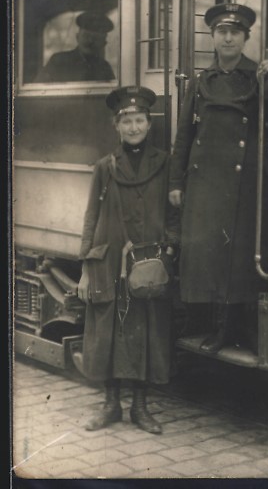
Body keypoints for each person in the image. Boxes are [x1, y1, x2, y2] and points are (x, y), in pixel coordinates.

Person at [169, 3, 268, 355]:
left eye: (235, 32)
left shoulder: (258, 77)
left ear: (245, 39)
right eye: (221, 32)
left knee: (237, 254)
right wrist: (176, 181)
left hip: (241, 182)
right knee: (205, 253)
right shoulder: (202, 82)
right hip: (204, 182)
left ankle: (231, 328)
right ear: (213, 38)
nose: (228, 38)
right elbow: (184, 135)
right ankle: (207, 323)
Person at [77, 86, 179, 434]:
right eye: (127, 122)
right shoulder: (105, 168)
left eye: (139, 120)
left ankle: (140, 407)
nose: (133, 127)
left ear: (149, 124)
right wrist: (85, 269)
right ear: (116, 126)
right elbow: (91, 217)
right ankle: (110, 406)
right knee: (107, 331)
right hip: (108, 263)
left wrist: (169, 250)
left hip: (148, 264)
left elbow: (174, 212)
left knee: (147, 330)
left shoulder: (164, 163)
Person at [35, 11, 115, 82]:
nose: (90, 41)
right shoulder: (59, 61)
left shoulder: (104, 68)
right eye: (86, 36)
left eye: (96, 38)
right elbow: (38, 90)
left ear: (103, 43)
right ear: (77, 37)